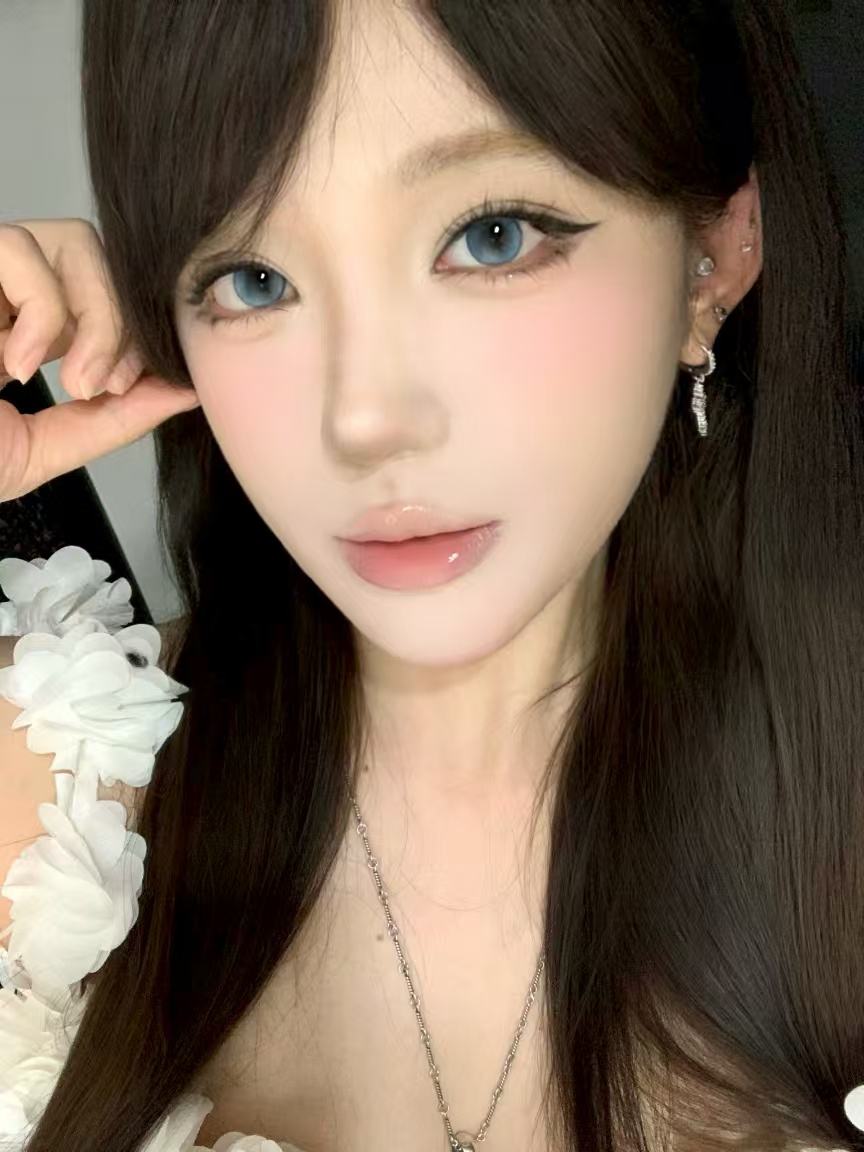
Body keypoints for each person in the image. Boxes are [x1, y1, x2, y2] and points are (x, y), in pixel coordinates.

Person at [0, 1, 863, 1150]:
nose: (363, 419)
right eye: (253, 279)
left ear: (716, 255)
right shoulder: (46, 788)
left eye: (493, 237)